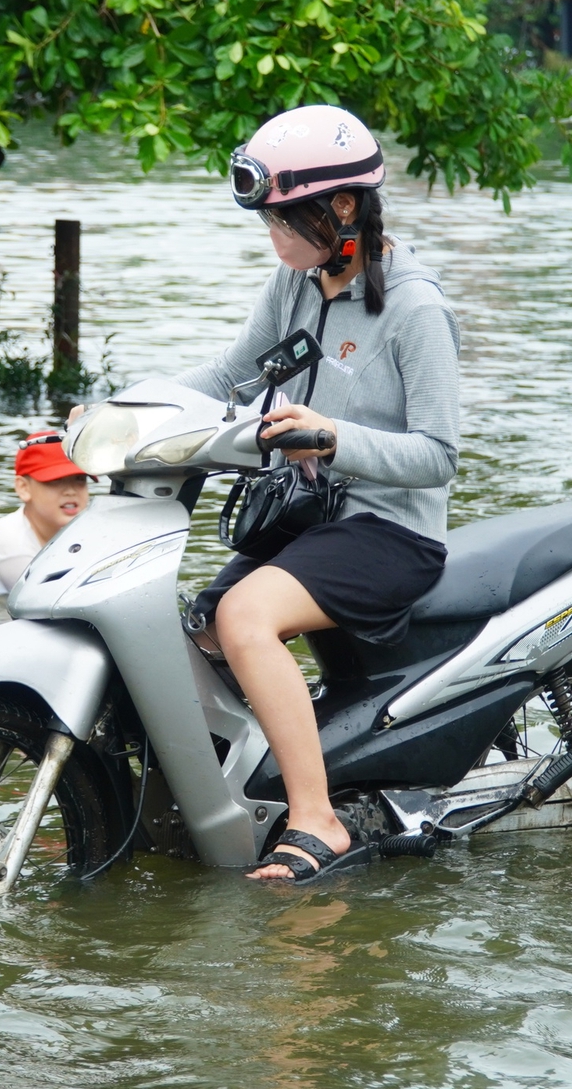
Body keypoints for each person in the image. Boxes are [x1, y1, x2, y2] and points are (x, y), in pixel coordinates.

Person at [180, 104, 461, 881]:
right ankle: (226, 793)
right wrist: (121, 410)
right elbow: (226, 375)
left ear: (342, 208)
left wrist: (335, 436)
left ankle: (317, 819)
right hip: (307, 520)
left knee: (243, 615)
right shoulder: (295, 282)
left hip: (390, 531)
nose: (273, 241)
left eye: (282, 223)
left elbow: (438, 455)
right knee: (197, 629)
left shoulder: (415, 308)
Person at [0, 431, 92, 596]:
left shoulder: (74, 531)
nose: (71, 491)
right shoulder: (11, 545)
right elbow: (53, 602)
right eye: (54, 480)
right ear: (23, 488)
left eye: (79, 479)